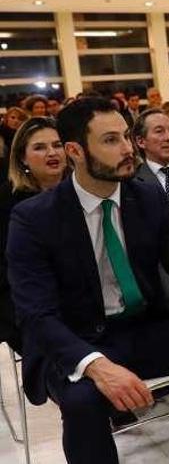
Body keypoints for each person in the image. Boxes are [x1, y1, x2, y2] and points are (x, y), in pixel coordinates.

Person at [6, 97, 169, 464]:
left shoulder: (147, 196)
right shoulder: (33, 218)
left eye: (126, 136)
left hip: (140, 325)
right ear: (75, 150)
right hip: (75, 339)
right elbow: (36, 315)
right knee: (83, 400)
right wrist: (95, 364)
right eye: (110, 140)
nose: (127, 149)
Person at [0, 117, 68, 354]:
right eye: (40, 147)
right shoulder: (8, 202)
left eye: (57, 145)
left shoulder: (79, 191)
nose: (52, 153)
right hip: (25, 301)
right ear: (22, 158)